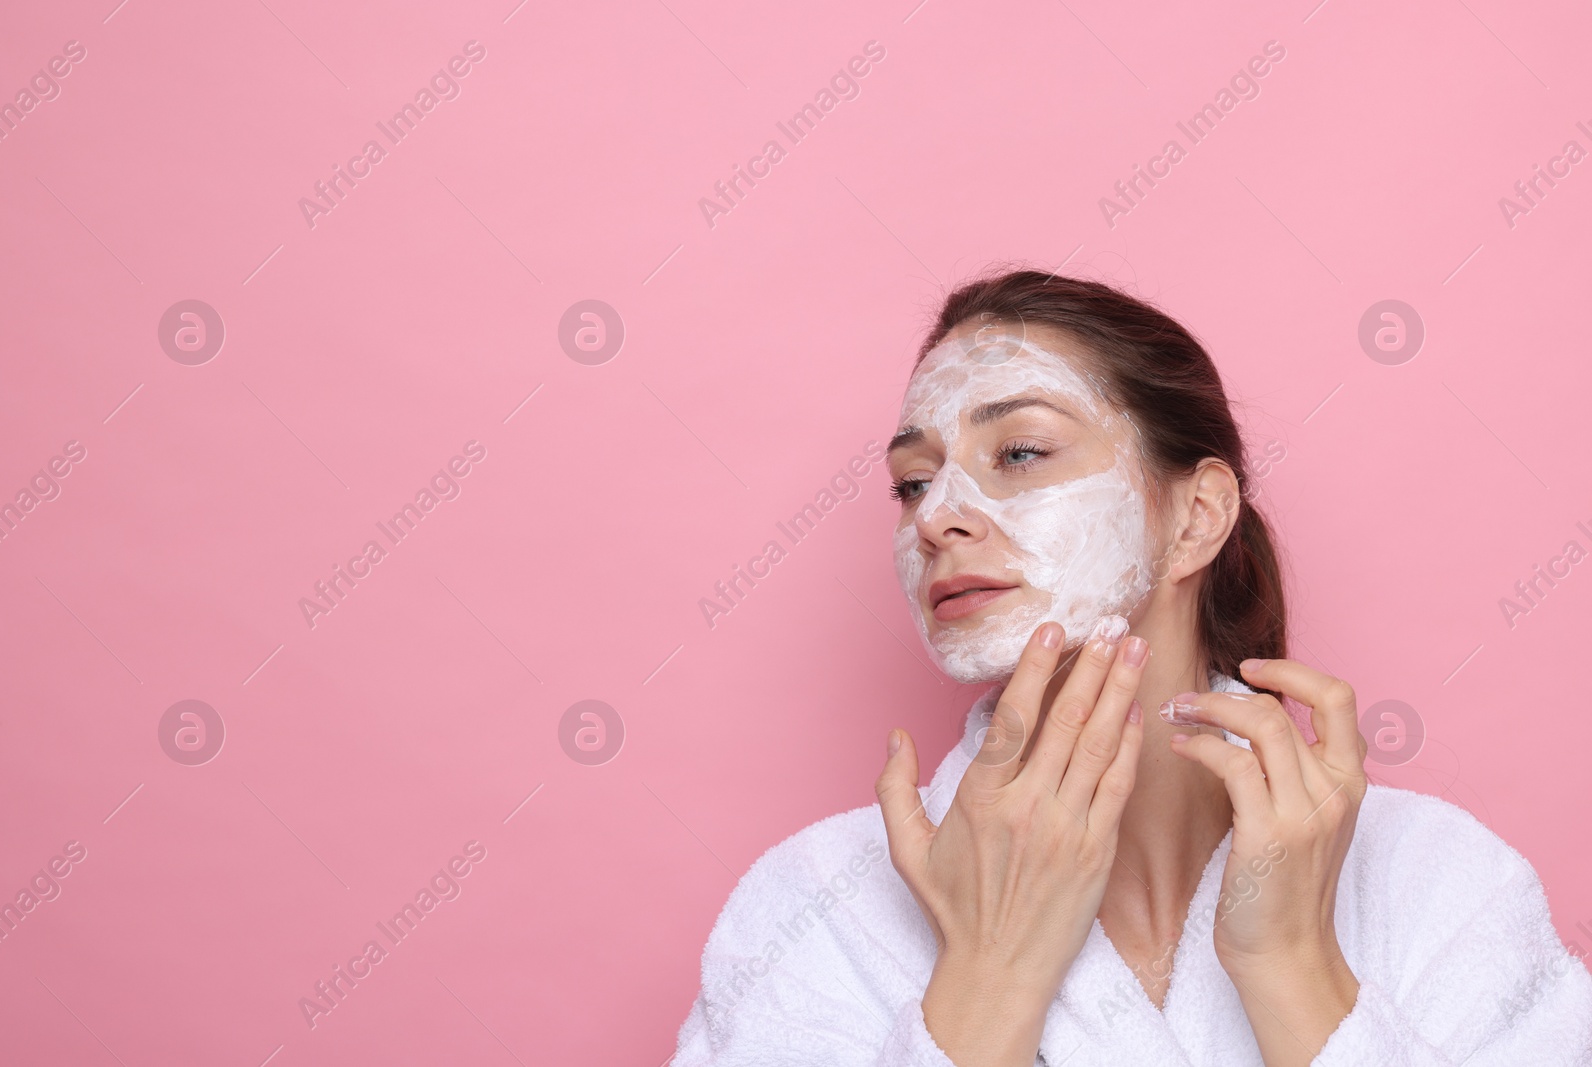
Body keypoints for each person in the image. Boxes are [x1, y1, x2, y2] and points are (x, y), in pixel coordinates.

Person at [668, 270, 1592, 1066]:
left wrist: (1294, 969)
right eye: (913, 480)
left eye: (1020, 452)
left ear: (1194, 517)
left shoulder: (1434, 878)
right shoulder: (816, 904)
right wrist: (989, 977)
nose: (934, 517)